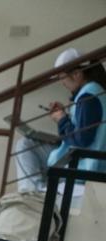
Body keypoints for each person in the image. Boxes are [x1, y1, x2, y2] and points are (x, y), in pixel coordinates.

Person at [14, 47, 106, 192]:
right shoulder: (93, 92)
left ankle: (34, 194)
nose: (62, 83)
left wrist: (62, 120)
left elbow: (82, 140)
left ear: (77, 74)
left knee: (24, 146)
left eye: (62, 77)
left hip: (84, 164)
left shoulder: (88, 97)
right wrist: (64, 117)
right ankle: (38, 192)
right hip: (83, 159)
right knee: (27, 143)